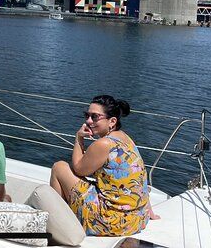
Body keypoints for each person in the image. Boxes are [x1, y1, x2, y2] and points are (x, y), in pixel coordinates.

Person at [49, 95, 153, 236]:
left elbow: (79, 169)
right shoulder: (125, 137)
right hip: (135, 219)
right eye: (87, 115)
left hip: (109, 221)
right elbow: (138, 176)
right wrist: (148, 209)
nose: (88, 121)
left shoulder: (103, 144)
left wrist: (78, 138)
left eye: (95, 117)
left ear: (112, 121)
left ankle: (56, 225)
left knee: (59, 167)